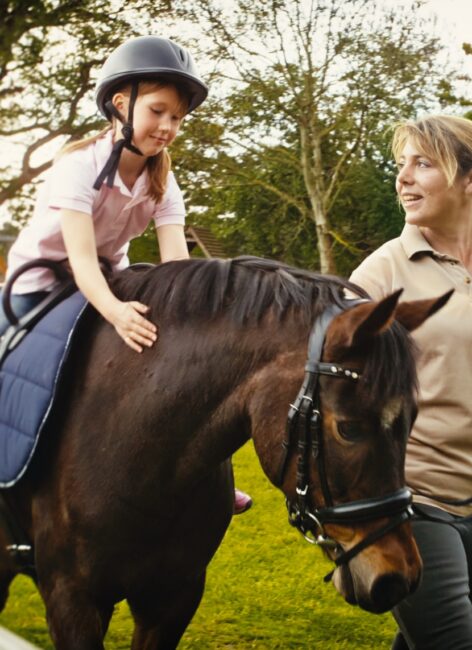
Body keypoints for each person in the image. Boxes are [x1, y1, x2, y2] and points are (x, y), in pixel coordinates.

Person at [1, 35, 252, 514]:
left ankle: (207, 473)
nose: (168, 126)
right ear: (121, 103)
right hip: (42, 283)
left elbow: (176, 263)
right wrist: (115, 312)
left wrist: (193, 322)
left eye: (177, 117)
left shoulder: (163, 178)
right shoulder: (76, 165)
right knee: (17, 364)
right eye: (158, 111)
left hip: (105, 275)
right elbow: (77, 259)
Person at [349, 114, 472, 649]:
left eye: (422, 163)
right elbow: (339, 396)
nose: (403, 178)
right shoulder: (378, 278)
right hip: (419, 497)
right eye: (402, 165)